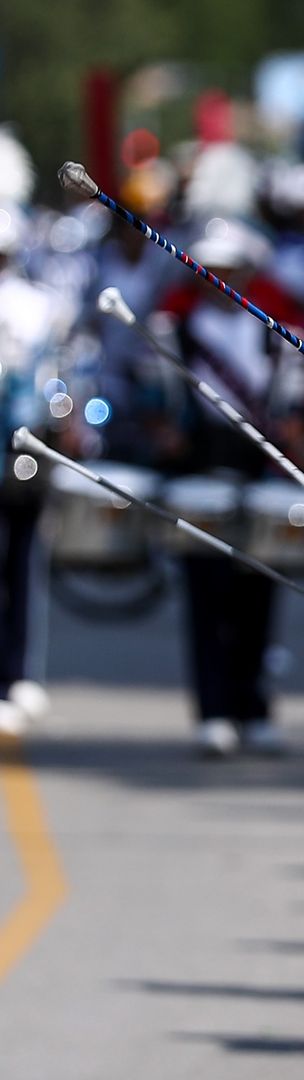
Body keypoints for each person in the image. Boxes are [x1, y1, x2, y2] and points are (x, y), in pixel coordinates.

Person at [158, 222, 304, 757]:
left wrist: (293, 426)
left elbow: (293, 404)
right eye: (208, 270)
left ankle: (254, 708)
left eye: (227, 270)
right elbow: (156, 401)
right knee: (205, 592)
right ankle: (214, 711)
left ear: (245, 274)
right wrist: (165, 426)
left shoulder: (273, 335)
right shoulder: (171, 331)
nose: (216, 279)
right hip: (201, 467)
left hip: (257, 468)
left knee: (259, 591)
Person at [0, 211, 58, 735]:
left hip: (19, 451)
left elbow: (55, 381)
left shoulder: (38, 305)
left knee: (21, 563)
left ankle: (16, 674)